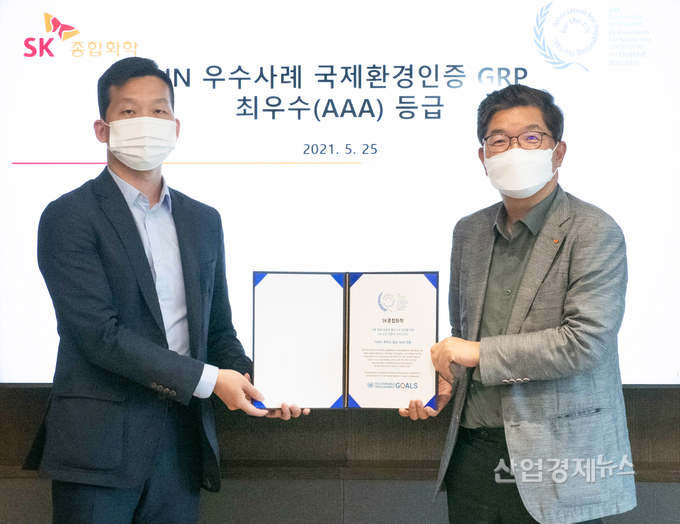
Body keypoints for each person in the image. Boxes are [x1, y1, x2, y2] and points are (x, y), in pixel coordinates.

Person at [24, 57, 308, 524]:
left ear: (175, 127)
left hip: (181, 445)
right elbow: (99, 336)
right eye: (129, 111)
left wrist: (265, 386)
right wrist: (210, 381)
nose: (146, 122)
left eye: (158, 111)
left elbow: (218, 331)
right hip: (98, 449)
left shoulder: (203, 220)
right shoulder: (69, 216)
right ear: (102, 129)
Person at [400, 84, 636, 523]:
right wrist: (446, 379)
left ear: (558, 152)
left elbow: (584, 343)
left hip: (560, 458)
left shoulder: (593, 230)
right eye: (499, 140)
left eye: (530, 137)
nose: (514, 150)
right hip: (473, 453)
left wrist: (476, 353)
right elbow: (462, 333)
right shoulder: (468, 232)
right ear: (483, 156)